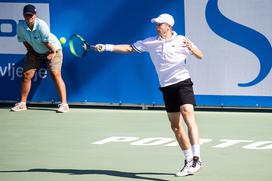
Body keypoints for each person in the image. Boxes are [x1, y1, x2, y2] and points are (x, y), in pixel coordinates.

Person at [95, 13, 203, 176]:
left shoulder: (181, 40)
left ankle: (197, 158)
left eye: (160, 24)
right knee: (175, 127)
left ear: (169, 26)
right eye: (156, 24)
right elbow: (129, 48)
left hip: (183, 82)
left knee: (188, 115)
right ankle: (188, 161)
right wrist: (106, 47)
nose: (157, 26)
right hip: (166, 87)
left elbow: (200, 56)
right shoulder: (150, 42)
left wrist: (193, 48)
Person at [10, 4, 69, 113]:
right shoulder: (20, 26)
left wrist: (52, 52)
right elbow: (24, 41)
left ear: (35, 15)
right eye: (27, 15)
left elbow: (47, 43)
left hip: (53, 48)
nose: (29, 17)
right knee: (26, 75)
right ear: (24, 16)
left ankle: (64, 104)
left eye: (31, 15)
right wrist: (31, 51)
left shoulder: (42, 26)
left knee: (55, 74)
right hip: (36, 51)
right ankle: (22, 103)